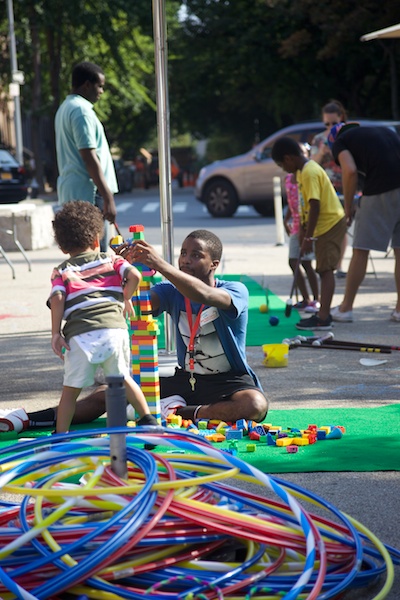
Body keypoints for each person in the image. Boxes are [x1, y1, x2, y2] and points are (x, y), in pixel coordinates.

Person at [3, 230, 269, 432]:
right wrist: (116, 269)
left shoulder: (235, 290)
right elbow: (134, 303)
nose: (185, 260)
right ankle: (25, 419)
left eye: (196, 255)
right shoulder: (170, 291)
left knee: (255, 406)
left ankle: (179, 412)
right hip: (184, 378)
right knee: (108, 393)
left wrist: (161, 264)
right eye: (183, 253)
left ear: (214, 264)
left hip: (229, 381)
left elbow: (207, 295)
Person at [47, 200, 157, 433]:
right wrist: (124, 296)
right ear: (97, 239)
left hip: (79, 335)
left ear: (63, 248)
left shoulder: (62, 271)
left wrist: (56, 333)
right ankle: (147, 419)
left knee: (70, 390)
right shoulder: (111, 260)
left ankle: (60, 435)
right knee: (123, 377)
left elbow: (57, 299)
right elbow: (135, 274)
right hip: (113, 332)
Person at [328, 122, 400, 323]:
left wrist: (348, 206)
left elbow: (349, 171)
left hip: (380, 190)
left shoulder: (340, 141)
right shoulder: (385, 130)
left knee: (361, 249)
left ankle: (346, 308)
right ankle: (399, 310)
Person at [272, 137, 346, 331]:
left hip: (329, 223)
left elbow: (315, 205)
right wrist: (304, 230)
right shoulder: (302, 172)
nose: (282, 169)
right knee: (323, 268)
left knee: (325, 269)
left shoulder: (309, 172)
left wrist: (308, 238)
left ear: (288, 158)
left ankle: (323, 317)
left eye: (281, 164)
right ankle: (322, 314)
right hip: (322, 226)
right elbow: (305, 206)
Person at [55, 61, 118, 250]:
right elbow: (89, 156)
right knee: (96, 255)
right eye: (100, 86)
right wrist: (108, 197)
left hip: (73, 189)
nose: (101, 91)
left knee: (82, 255)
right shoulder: (81, 111)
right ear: (87, 85)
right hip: (90, 191)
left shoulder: (64, 108)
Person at [311, 100, 348, 278]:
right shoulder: (319, 139)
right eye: (327, 124)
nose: (330, 127)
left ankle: (338, 265)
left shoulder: (348, 136)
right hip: (324, 189)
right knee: (323, 226)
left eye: (334, 123)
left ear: (342, 118)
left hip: (345, 187)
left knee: (342, 226)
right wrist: (323, 151)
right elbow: (311, 165)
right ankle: (326, 264)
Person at [283, 155, 319, 313]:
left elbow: (309, 204)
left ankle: (316, 300)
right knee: (293, 261)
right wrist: (286, 220)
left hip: (306, 226)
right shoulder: (288, 179)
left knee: (306, 262)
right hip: (296, 226)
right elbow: (292, 203)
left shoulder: (305, 176)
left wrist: (306, 232)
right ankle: (306, 299)